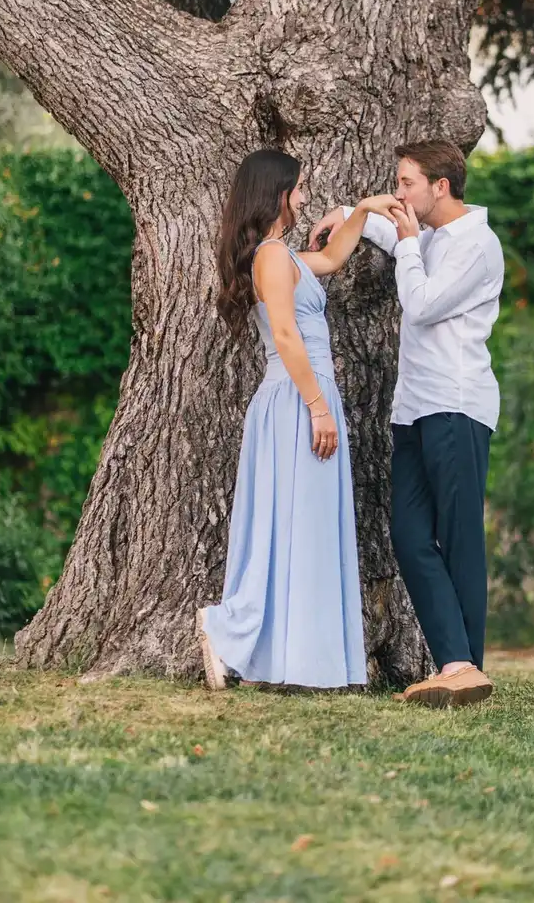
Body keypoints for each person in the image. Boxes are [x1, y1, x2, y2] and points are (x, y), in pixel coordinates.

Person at [310, 140, 504, 707]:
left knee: (460, 540)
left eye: (406, 184)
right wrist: (352, 215)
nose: (399, 193)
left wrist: (408, 242)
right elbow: (390, 234)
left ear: (439, 188)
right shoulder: (432, 236)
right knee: (411, 536)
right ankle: (458, 664)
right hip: (413, 408)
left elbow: (420, 304)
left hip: (458, 405)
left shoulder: (478, 246)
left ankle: (467, 667)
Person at [197, 149, 398, 691]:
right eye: (301, 188)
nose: (306, 197)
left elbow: (332, 260)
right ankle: (228, 629)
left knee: (302, 526)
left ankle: (292, 657)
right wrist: (318, 407)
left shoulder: (282, 255)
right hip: (296, 400)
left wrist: (361, 210)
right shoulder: (268, 256)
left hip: (303, 396)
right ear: (277, 194)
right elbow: (285, 335)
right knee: (294, 521)